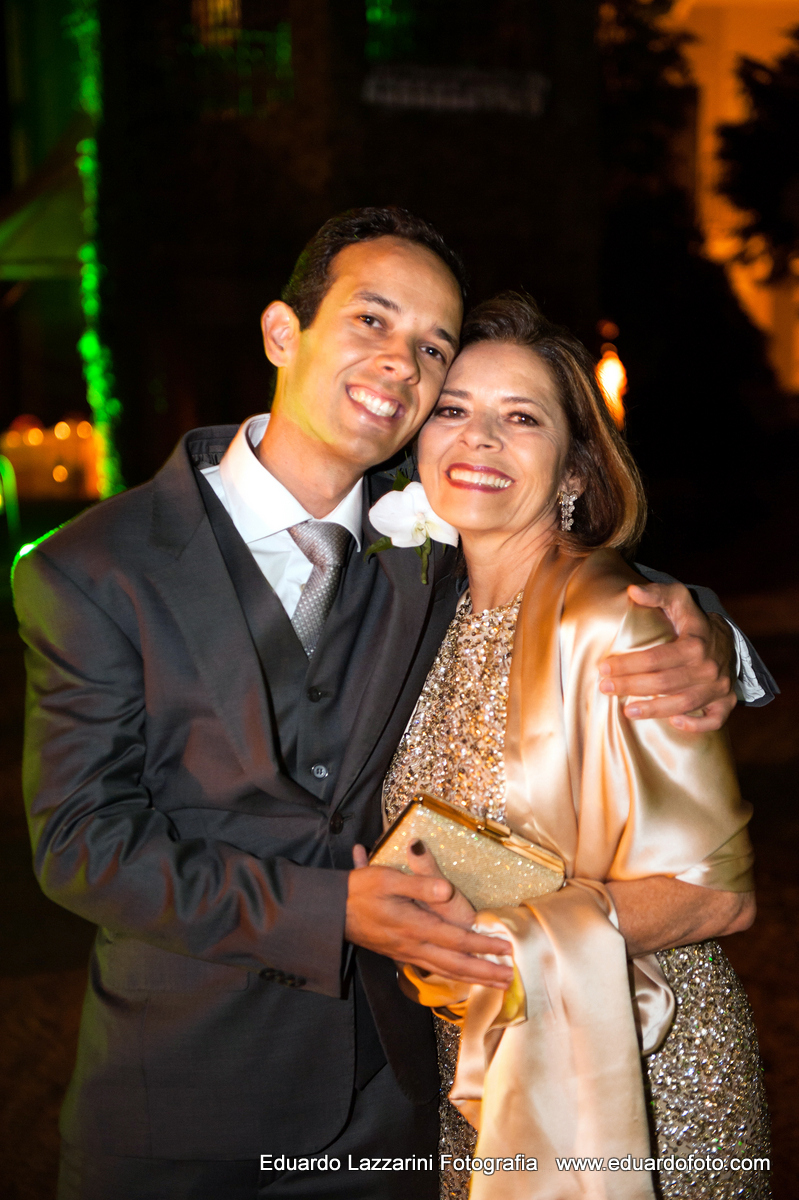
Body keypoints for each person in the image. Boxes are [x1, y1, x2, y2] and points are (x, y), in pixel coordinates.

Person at [13, 210, 773, 1200]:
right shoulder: (92, 568)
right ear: (282, 332)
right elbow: (82, 843)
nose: (400, 363)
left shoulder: (432, 531)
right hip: (184, 1099)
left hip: (404, 1097)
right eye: (371, 320)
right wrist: (330, 910)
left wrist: (706, 631)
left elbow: (564, 572)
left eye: (431, 346)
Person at [382, 292, 771, 1200]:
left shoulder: (614, 622)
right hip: (481, 1070)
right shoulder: (416, 611)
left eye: (520, 418)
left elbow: (717, 897)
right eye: (452, 409)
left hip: (639, 1074)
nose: (479, 439)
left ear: (573, 468)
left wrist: (492, 942)